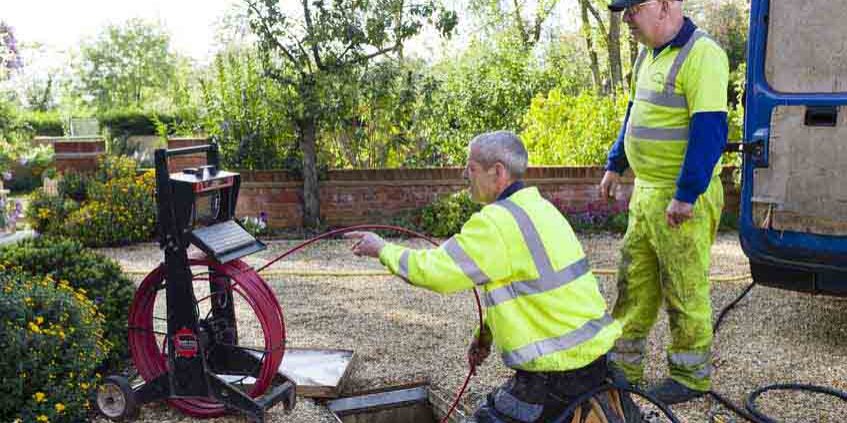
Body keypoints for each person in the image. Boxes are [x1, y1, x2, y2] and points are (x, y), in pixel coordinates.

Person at [347, 131, 638, 422]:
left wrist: (382, 249)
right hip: (596, 363)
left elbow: (436, 271)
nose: (464, 174)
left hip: (555, 374)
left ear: (497, 171)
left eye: (471, 168)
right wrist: (485, 335)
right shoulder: (540, 208)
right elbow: (531, 292)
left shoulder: (496, 223)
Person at [600, 0, 729, 404]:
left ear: (665, 5)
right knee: (633, 282)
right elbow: (634, 116)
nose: (626, 20)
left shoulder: (703, 54)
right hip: (648, 192)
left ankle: (690, 377)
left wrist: (686, 194)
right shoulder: (646, 57)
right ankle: (624, 369)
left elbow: (709, 130)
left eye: (632, 9)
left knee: (683, 288)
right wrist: (615, 164)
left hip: (681, 199)